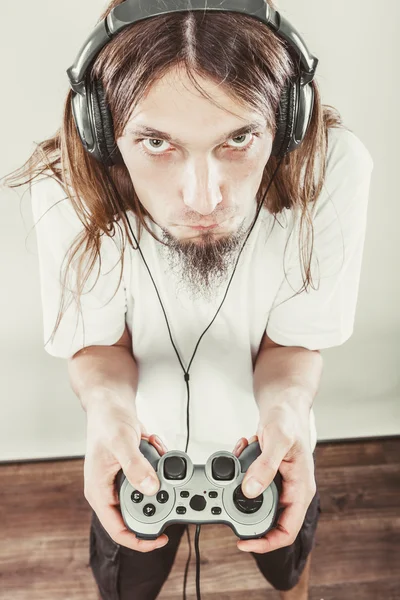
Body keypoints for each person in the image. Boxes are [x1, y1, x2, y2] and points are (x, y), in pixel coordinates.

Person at [2, 2, 374, 598]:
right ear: (102, 129)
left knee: (290, 573)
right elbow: (100, 346)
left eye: (240, 137)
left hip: (273, 446)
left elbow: (291, 342)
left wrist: (286, 411)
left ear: (289, 118)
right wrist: (106, 410)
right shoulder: (67, 186)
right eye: (156, 141)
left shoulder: (330, 170)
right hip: (134, 453)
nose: (204, 198)